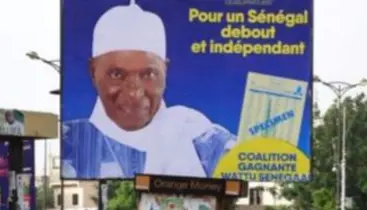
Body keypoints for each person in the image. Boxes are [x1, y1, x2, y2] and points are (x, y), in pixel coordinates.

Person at [61, 0, 236, 179]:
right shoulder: (69, 144)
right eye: (116, 74)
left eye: (149, 74)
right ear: (93, 71)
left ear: (165, 71)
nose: (134, 93)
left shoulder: (200, 139)